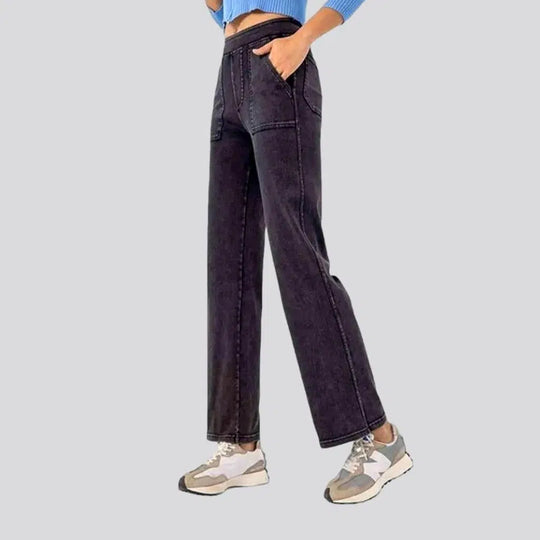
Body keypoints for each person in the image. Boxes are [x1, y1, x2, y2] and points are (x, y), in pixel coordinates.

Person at [178, 1, 413, 504]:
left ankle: (380, 438)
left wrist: (302, 40)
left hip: (279, 61)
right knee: (228, 265)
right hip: (229, 67)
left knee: (299, 259)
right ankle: (240, 445)